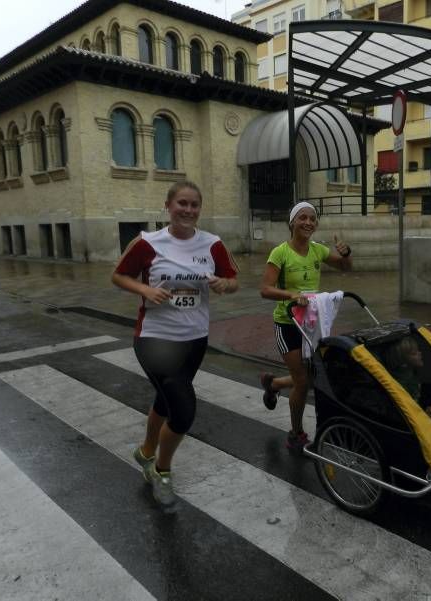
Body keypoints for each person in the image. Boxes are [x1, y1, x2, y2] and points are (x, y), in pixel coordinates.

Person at [111, 181, 239, 507]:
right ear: (168, 206)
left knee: (166, 401)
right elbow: (119, 275)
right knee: (183, 410)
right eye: (182, 203)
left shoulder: (213, 244)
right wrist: (146, 291)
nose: (188, 210)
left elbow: (233, 281)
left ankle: (144, 452)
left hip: (194, 339)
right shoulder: (148, 242)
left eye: (194, 205)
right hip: (155, 338)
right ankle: (161, 470)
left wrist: (225, 284)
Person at [259, 201, 353, 454]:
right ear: (292, 222)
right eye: (303, 217)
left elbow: (346, 268)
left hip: (311, 324)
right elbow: (265, 289)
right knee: (302, 381)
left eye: (313, 218)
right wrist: (291, 295)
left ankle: (275, 384)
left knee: (309, 379)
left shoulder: (318, 251)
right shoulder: (280, 253)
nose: (308, 222)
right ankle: (296, 434)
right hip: (287, 324)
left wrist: (345, 253)